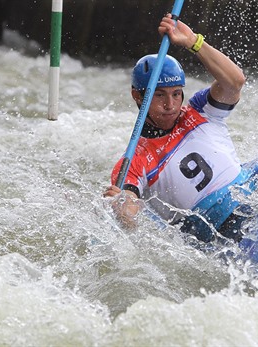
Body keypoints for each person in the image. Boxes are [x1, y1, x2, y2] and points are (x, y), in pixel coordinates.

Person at [103, 13, 247, 242]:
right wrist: (121, 205)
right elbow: (130, 217)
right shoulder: (133, 160)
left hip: (249, 199)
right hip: (213, 234)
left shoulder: (200, 110)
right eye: (159, 95)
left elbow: (235, 82)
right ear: (137, 97)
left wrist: (193, 42)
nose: (170, 105)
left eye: (176, 94)